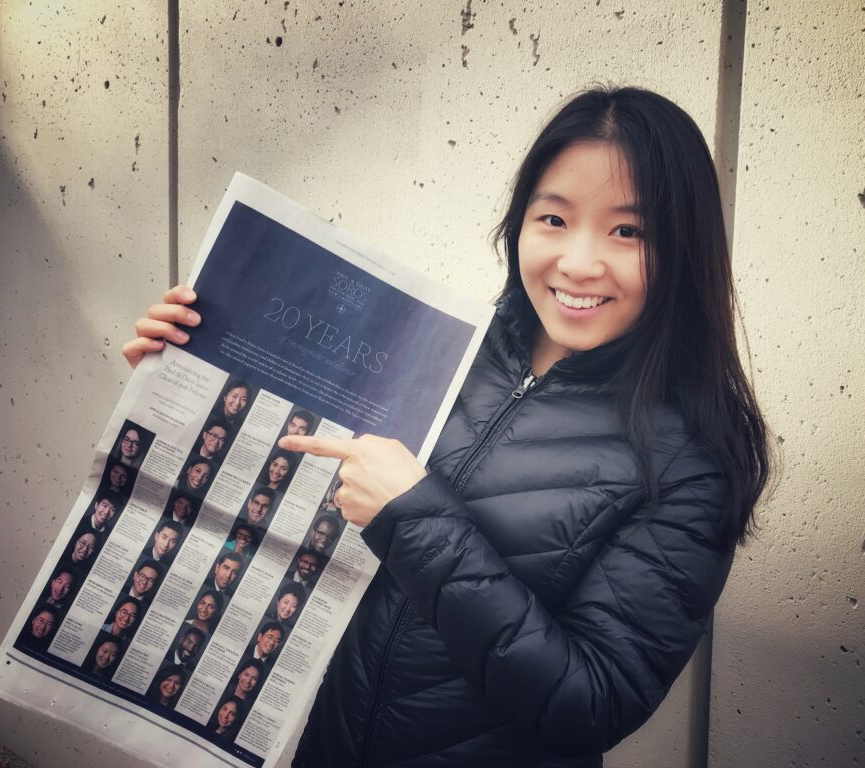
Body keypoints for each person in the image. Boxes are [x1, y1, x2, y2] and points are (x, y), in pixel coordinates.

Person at [124, 87, 771, 767]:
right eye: (553, 218)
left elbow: (591, 703)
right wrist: (183, 375)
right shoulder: (447, 354)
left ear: (684, 249)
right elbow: (299, 488)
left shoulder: (693, 463)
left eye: (628, 231)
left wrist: (413, 518)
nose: (579, 262)